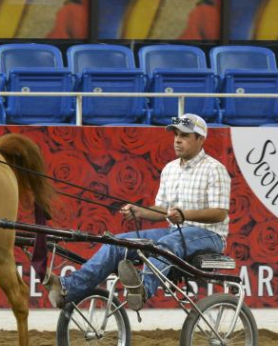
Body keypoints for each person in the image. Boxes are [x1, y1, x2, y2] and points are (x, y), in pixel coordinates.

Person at [44, 113, 231, 311]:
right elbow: (163, 210)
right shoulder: (170, 169)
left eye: (184, 136)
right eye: (176, 134)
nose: (177, 140)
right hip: (176, 231)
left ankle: (143, 288)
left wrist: (185, 215)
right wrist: (139, 211)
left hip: (210, 236)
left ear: (200, 139)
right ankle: (68, 287)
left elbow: (220, 213)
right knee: (116, 243)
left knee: (166, 244)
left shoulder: (214, 169)